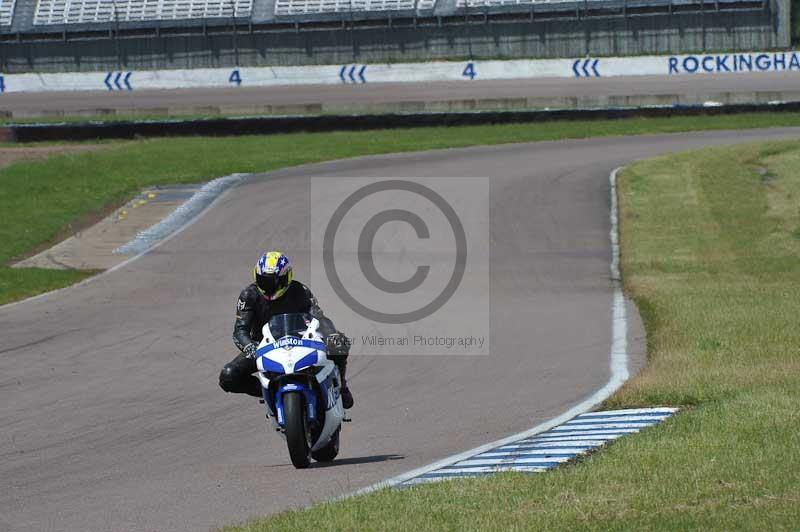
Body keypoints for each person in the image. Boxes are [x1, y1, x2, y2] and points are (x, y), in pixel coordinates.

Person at [218, 251, 354, 409]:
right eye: (264, 281)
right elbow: (240, 330)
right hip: (264, 347)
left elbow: (319, 318)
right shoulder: (249, 295)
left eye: (276, 282)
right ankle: (269, 391)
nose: (270, 288)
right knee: (228, 376)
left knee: (339, 344)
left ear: (287, 277)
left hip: (302, 342)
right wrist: (250, 347)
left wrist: (331, 335)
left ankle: (341, 386)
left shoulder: (300, 291)